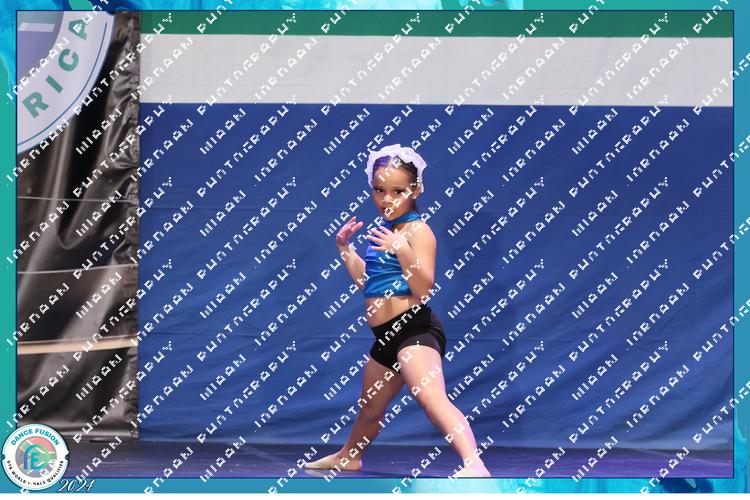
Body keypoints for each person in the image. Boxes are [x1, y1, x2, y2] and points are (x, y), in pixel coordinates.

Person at [304, 144, 491, 477]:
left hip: (413, 329)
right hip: (385, 336)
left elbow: (424, 288)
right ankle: (349, 456)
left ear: (415, 190)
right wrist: (344, 249)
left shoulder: (418, 231)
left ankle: (474, 463)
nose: (386, 199)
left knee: (430, 397)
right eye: (379, 190)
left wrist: (403, 250)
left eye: (397, 191)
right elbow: (370, 284)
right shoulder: (387, 233)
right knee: (370, 408)